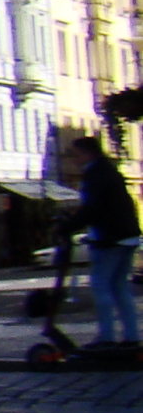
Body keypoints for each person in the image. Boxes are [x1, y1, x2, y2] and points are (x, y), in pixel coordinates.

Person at [64, 134, 140, 347]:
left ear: (88, 154)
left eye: (75, 154)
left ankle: (107, 337)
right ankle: (131, 336)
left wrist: (67, 226)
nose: (73, 159)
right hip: (127, 236)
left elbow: (93, 208)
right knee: (119, 287)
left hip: (110, 238)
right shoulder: (109, 171)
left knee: (101, 286)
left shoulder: (95, 174)